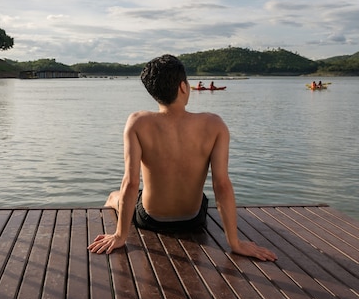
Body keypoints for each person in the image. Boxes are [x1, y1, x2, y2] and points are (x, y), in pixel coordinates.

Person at [88, 55, 277, 261]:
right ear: (183, 87)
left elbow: (131, 183)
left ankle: (113, 225)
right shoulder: (214, 125)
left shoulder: (138, 122)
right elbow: (221, 184)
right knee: (202, 198)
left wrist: (119, 235)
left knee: (113, 196)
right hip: (193, 219)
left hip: (151, 219)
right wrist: (235, 243)